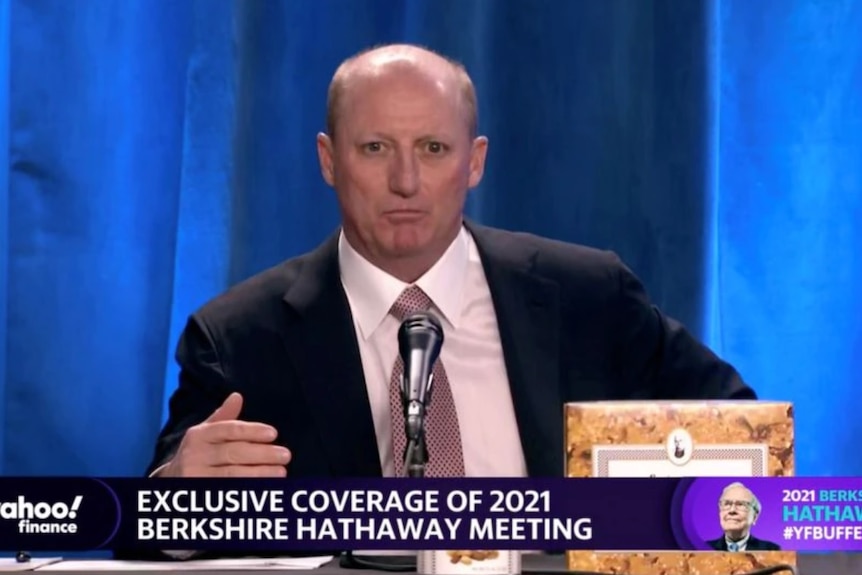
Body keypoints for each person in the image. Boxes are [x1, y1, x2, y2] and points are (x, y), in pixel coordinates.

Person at [146, 43, 755, 482]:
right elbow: (144, 533)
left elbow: (748, 441)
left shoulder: (588, 296)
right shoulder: (240, 339)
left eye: (434, 149)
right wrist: (174, 499)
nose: (405, 181)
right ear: (329, 161)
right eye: (375, 148)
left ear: (474, 162)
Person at [707, 482, 781, 551]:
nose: (732, 510)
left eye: (740, 504)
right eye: (727, 504)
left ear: (755, 517)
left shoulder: (771, 550)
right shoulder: (703, 548)